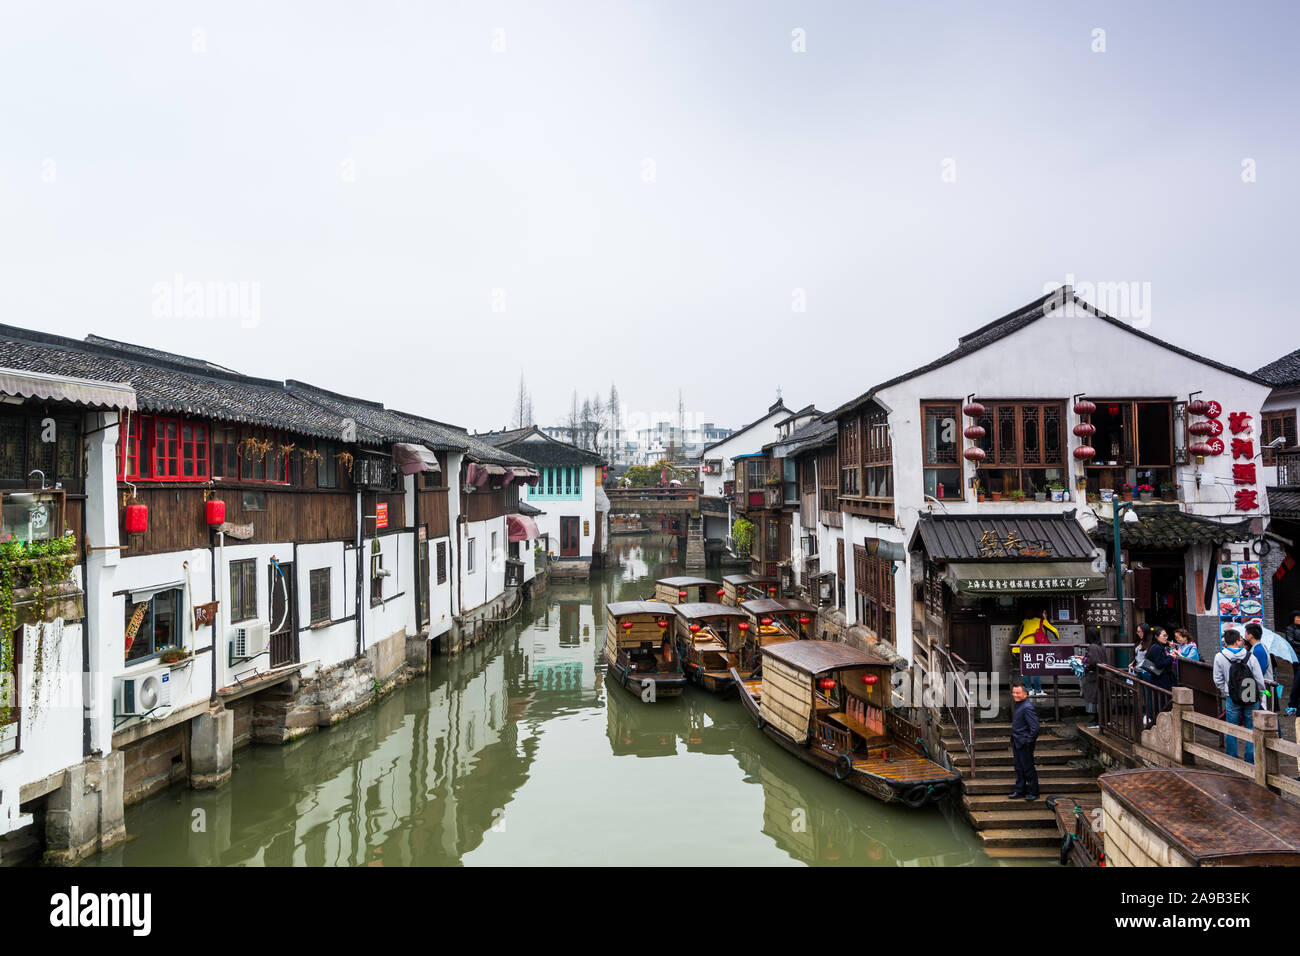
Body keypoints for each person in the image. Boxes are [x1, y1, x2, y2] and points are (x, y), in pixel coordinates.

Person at [1214, 629, 1265, 764]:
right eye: (1241, 639)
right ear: (1237, 641)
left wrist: (1226, 691)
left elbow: (1217, 679)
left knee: (1232, 726)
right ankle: (1250, 758)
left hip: (1232, 697)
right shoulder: (1250, 656)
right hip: (1251, 696)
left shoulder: (1219, 656)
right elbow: (1259, 679)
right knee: (1252, 727)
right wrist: (1260, 693)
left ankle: (1232, 757)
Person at [1013, 609, 1058, 697]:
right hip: (1034, 647)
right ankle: (1038, 690)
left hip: (1021, 647)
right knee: (1036, 668)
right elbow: (1054, 631)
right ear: (1041, 613)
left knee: (1026, 669)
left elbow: (1020, 633)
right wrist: (1057, 637)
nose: (1046, 614)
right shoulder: (1042, 621)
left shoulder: (1025, 621)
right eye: (1045, 612)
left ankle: (1029, 690)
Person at [1008, 679, 1040, 801]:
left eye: (1018, 693)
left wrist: (1028, 740)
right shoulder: (1018, 704)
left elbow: (1035, 727)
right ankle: (1019, 790)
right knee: (1018, 767)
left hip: (1024, 742)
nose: (1015, 695)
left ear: (1025, 694)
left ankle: (1034, 792)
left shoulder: (1027, 707)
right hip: (1017, 741)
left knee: (1028, 768)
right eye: (1014, 692)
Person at [1139, 627, 1176, 723]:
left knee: (1162, 701)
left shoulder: (1159, 647)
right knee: (1161, 702)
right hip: (1160, 679)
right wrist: (1171, 658)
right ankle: (1157, 721)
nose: (1166, 637)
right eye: (1163, 635)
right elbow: (1159, 663)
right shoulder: (1157, 648)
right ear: (1156, 636)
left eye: (1166, 635)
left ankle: (1159, 720)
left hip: (1161, 679)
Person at [1080, 628, 1106, 729]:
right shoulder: (1101, 646)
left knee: (1094, 698)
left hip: (1093, 676)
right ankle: (1101, 719)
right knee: (1099, 698)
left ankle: (1096, 720)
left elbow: (1093, 661)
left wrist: (1084, 663)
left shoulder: (1092, 647)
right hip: (1100, 675)